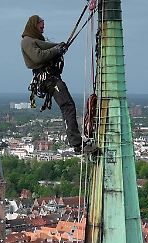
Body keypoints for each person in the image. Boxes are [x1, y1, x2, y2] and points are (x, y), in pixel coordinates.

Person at [21, 14, 94, 154]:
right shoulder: (27, 41)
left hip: (51, 78)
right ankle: (77, 144)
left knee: (68, 106)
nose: (43, 28)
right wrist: (56, 49)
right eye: (41, 26)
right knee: (67, 106)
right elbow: (38, 57)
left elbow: (46, 49)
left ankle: (77, 142)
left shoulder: (37, 40)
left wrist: (58, 48)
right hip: (48, 79)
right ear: (34, 25)